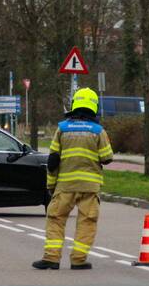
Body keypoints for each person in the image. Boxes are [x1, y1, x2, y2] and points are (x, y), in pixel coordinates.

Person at [33, 87, 114, 271]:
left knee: (56, 219)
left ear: (74, 104)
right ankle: (78, 260)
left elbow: (53, 161)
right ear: (94, 106)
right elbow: (107, 157)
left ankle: (51, 258)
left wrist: (51, 186)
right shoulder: (98, 131)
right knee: (87, 222)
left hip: (65, 185)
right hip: (89, 187)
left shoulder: (62, 128)